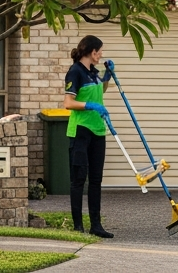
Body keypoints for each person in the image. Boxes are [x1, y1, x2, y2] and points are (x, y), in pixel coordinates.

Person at [61, 34, 114, 238]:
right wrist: (90, 106)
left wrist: (108, 76)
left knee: (96, 180)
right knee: (78, 180)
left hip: (98, 130)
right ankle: (77, 227)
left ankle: (96, 225)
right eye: (99, 51)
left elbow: (100, 91)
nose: (101, 54)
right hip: (81, 131)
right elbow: (68, 103)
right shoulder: (75, 72)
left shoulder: (94, 72)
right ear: (92, 52)